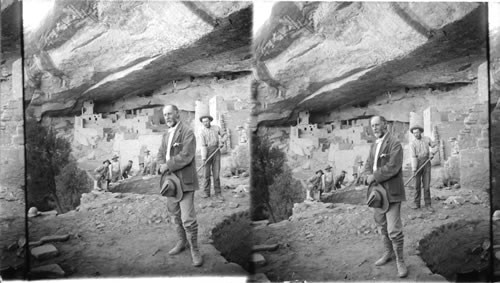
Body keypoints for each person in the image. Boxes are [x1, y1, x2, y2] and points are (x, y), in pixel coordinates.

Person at [157, 104, 202, 267]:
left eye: (170, 114)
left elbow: (187, 155)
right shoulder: (165, 135)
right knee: (175, 216)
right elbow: (160, 154)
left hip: (185, 181)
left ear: (177, 114)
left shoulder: (187, 132)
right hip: (170, 182)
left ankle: (195, 249)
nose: (167, 117)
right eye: (165, 114)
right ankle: (182, 242)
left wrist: (167, 165)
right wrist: (160, 165)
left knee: (187, 219)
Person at [362, 115, 407, 278]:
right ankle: (388, 253)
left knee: (393, 230)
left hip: (392, 191)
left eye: (377, 125)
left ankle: (400, 261)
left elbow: (393, 167)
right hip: (377, 194)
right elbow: (368, 164)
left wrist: (374, 176)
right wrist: (367, 174)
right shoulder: (374, 145)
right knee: (381, 226)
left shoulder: (394, 143)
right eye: (372, 126)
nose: (374, 128)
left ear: (385, 125)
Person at [199, 114, 227, 200]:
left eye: (207, 121)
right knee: (206, 174)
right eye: (203, 122)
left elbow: (225, 135)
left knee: (216, 173)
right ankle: (206, 192)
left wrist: (222, 141)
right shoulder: (202, 132)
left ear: (210, 121)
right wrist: (204, 158)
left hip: (216, 151)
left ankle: (218, 193)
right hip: (207, 152)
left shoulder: (216, 128)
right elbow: (203, 146)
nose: (205, 123)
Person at [409, 126, 438, 211]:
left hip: (426, 163)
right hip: (417, 163)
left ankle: (428, 204)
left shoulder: (427, 139)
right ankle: (416, 203)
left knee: (426, 185)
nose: (416, 134)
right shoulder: (412, 144)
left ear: (421, 132)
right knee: (417, 186)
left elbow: (435, 146)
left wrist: (432, 153)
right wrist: (414, 169)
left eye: (417, 132)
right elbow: (413, 157)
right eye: (414, 133)